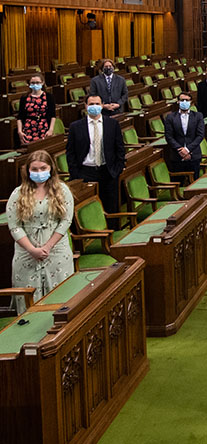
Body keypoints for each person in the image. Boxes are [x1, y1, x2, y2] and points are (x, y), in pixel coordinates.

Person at [7, 150, 74, 313]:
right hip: (27, 254)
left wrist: (48, 246)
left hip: (57, 252)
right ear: (27, 171)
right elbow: (14, 226)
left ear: (51, 168)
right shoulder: (18, 193)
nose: (39, 173)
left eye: (43, 168)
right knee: (29, 306)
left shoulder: (62, 190)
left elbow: (66, 220)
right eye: (34, 169)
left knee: (60, 301)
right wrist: (32, 250)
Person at [66, 95, 126, 213]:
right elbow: (70, 152)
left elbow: (120, 148)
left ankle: (112, 229)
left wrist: (117, 169)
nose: (94, 106)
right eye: (91, 104)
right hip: (85, 172)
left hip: (108, 171)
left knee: (110, 207)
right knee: (89, 209)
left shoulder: (112, 124)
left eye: (97, 104)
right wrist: (75, 173)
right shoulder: (75, 127)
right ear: (86, 106)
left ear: (102, 105)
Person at [164, 93, 205, 180]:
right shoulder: (170, 117)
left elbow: (200, 135)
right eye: (182, 100)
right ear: (178, 102)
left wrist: (187, 150)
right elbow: (168, 136)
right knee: (179, 182)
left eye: (187, 100)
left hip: (194, 155)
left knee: (194, 183)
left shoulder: (198, 116)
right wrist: (180, 149)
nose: (184, 102)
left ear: (191, 102)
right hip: (177, 156)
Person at [16, 74, 56, 145]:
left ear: (42, 83)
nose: (35, 85)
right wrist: (19, 131)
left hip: (44, 127)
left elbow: (53, 115)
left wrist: (50, 130)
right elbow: (20, 117)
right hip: (28, 129)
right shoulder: (24, 98)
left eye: (37, 82)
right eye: (33, 83)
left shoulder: (49, 97)